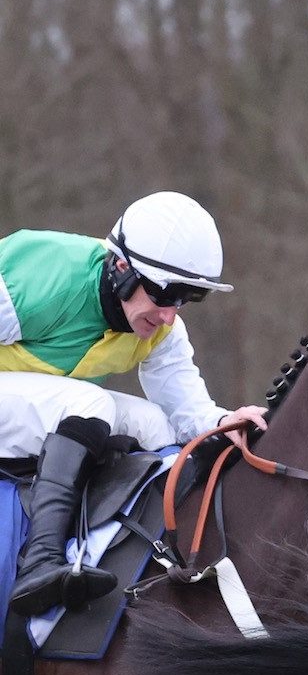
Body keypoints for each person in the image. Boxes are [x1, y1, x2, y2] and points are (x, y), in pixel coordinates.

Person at [0, 191, 267, 614]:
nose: (169, 315)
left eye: (185, 298)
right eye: (165, 294)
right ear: (122, 269)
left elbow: (187, 412)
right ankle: (41, 564)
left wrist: (226, 423)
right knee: (89, 406)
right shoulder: (47, 273)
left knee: (154, 426)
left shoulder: (163, 331)